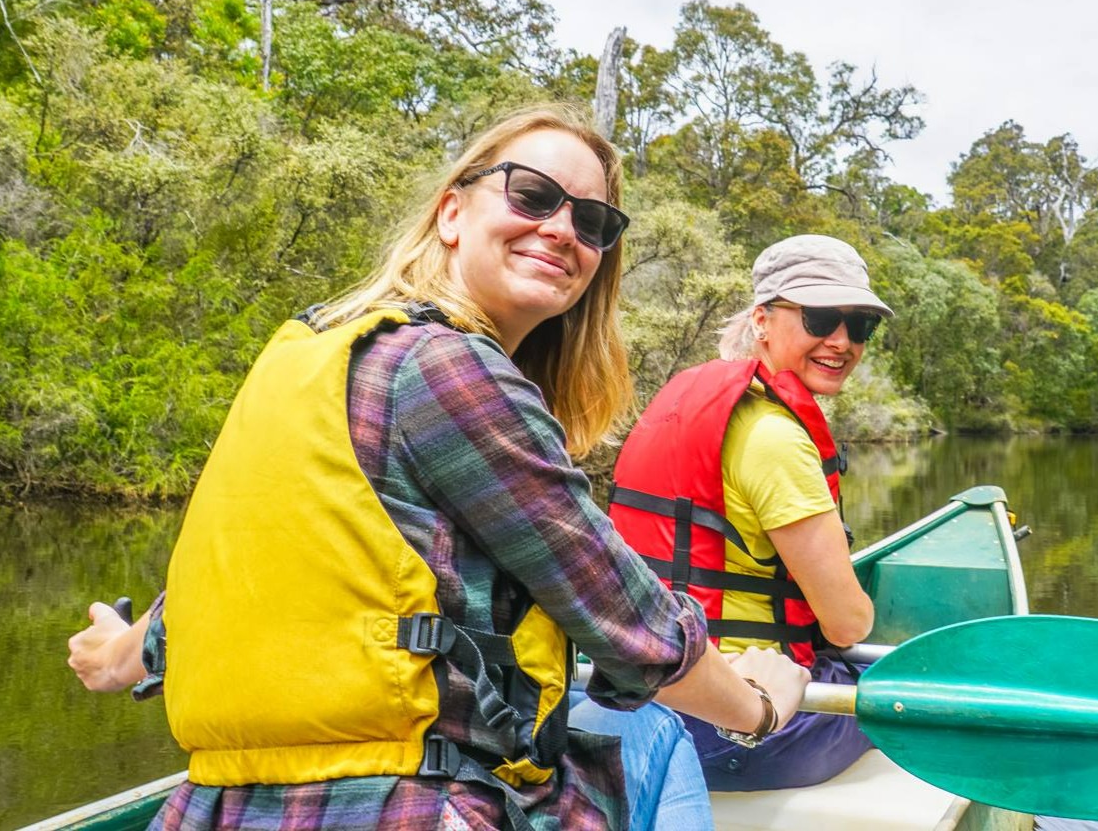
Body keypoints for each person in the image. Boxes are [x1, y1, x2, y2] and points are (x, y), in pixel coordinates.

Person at [68, 105, 808, 831]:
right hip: (409, 807)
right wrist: (757, 709)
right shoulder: (448, 372)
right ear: (452, 212)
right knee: (656, 733)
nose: (562, 229)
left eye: (592, 223)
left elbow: (234, 587)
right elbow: (630, 626)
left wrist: (118, 656)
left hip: (216, 807)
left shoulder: (311, 354)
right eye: (533, 194)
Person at [609, 234, 890, 791]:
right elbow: (848, 623)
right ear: (762, 319)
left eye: (860, 326)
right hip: (737, 724)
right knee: (897, 683)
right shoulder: (774, 437)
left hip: (646, 699)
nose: (842, 341)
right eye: (821, 317)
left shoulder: (686, 404)